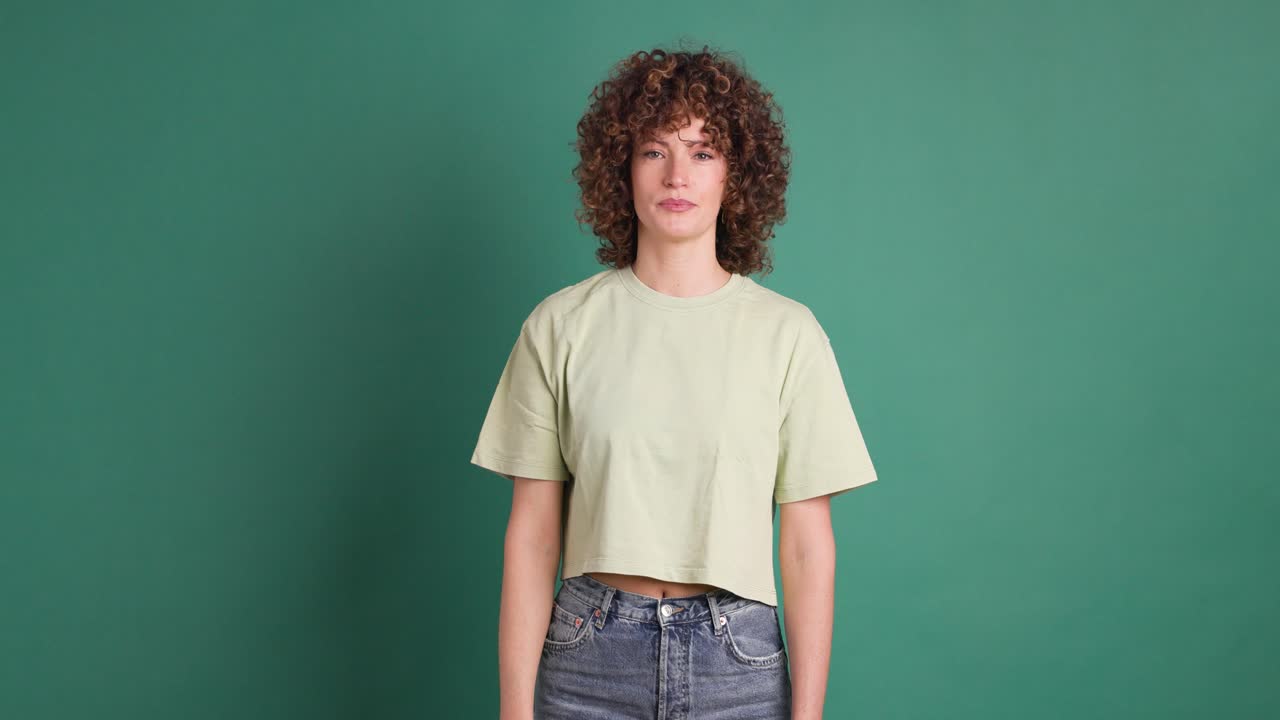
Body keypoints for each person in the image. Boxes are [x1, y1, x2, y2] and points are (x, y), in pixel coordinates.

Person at [470, 45, 879, 720]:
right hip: (586, 660)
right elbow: (533, 534)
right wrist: (516, 714)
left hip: (738, 664)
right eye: (655, 151)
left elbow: (807, 547)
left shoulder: (789, 335)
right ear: (622, 170)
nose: (677, 175)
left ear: (736, 177)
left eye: (703, 151)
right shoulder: (559, 326)